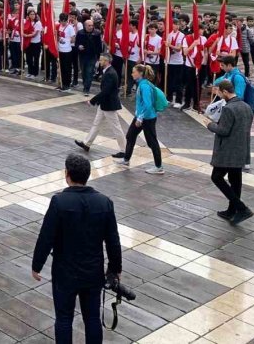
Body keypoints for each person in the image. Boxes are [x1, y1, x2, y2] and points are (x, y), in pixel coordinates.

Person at [32, 153, 122, 344]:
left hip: (65, 272)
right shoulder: (104, 202)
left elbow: (46, 236)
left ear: (67, 174)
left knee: (64, 319)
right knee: (92, 318)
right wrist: (114, 269)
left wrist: (37, 264)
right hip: (92, 271)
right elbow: (113, 241)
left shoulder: (59, 202)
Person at [208, 79, 254, 225]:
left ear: (225, 92)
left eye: (220, 93)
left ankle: (241, 208)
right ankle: (231, 210)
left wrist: (210, 125)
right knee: (235, 180)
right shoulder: (247, 106)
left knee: (216, 177)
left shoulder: (228, 109)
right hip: (241, 149)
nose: (220, 96)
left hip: (228, 151)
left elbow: (223, 130)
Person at [76, 53, 126, 158]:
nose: (100, 62)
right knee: (96, 124)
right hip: (104, 104)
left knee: (116, 127)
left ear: (107, 61)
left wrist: (92, 101)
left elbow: (105, 92)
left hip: (109, 105)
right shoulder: (107, 71)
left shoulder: (110, 73)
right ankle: (87, 143)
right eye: (100, 60)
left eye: (102, 60)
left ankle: (124, 150)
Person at [116, 64, 163, 173]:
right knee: (130, 136)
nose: (132, 74)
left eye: (133, 72)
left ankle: (159, 167)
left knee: (152, 142)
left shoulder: (144, 86)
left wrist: (140, 118)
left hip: (147, 118)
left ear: (140, 73)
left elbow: (148, 104)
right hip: (142, 116)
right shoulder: (142, 84)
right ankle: (126, 159)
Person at [75, 19, 102, 94]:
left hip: (92, 56)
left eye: (92, 25)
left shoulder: (97, 33)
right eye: (89, 25)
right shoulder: (80, 33)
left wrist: (99, 57)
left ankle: (87, 88)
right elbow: (76, 44)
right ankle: (85, 84)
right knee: (83, 72)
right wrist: (79, 47)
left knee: (89, 72)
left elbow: (99, 46)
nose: (91, 27)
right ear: (85, 26)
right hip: (82, 55)